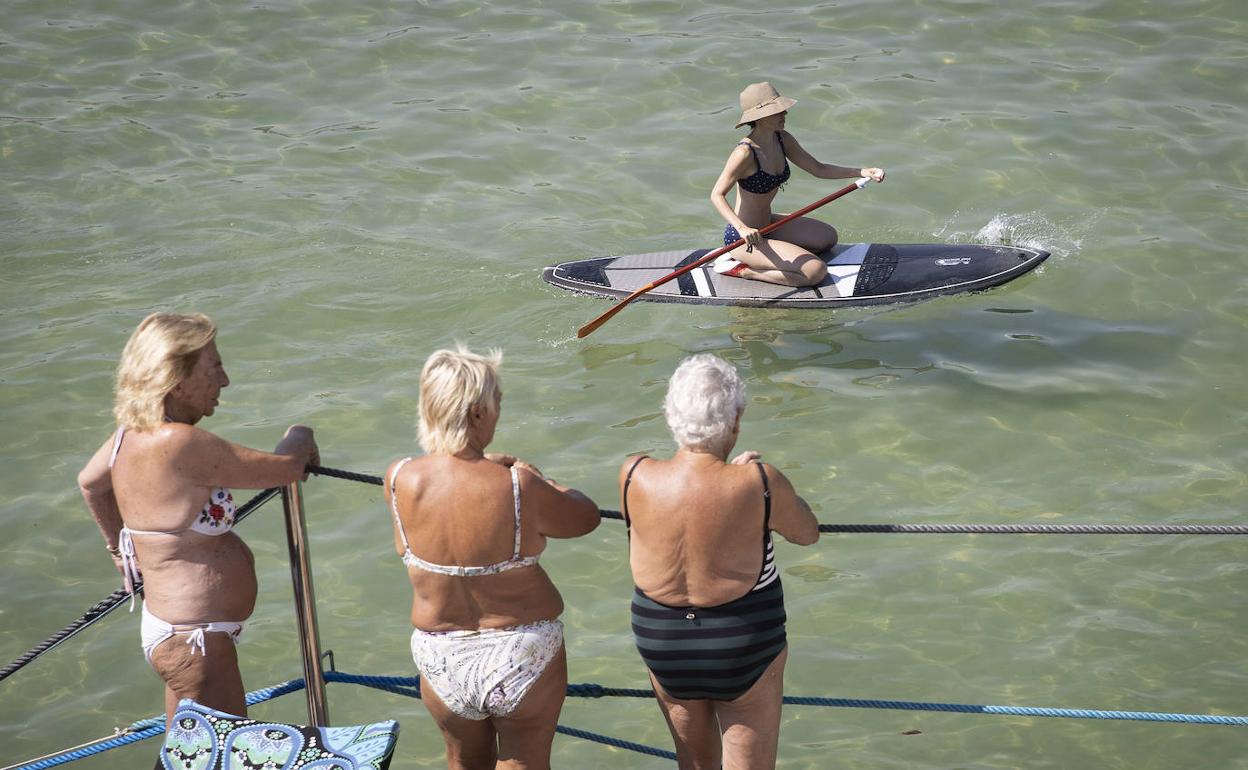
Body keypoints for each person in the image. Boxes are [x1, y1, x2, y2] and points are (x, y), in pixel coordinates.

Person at [76, 312, 320, 726]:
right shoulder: (180, 442)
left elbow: (91, 484)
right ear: (177, 376)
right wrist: (301, 433)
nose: (225, 381)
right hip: (195, 641)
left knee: (187, 756)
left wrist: (119, 551)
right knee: (219, 756)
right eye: (216, 368)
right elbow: (287, 468)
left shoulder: (128, 435)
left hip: (178, 632)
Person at [385, 346, 600, 770]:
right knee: (525, 762)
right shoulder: (517, 485)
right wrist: (539, 478)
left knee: (464, 763)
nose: (500, 411)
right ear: (479, 413)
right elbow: (586, 518)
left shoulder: (398, 478)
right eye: (497, 401)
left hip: (441, 655)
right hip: (520, 652)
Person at [619, 354, 820, 769]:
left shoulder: (633, 473)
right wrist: (748, 482)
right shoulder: (760, 481)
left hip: (664, 643)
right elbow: (807, 533)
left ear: (670, 415)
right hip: (742, 642)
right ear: (736, 420)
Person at [710, 81, 887, 287]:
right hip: (744, 237)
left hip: (769, 224)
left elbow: (818, 169)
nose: (784, 114)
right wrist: (742, 229)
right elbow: (716, 194)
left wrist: (862, 171)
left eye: (783, 110)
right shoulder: (744, 153)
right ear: (759, 117)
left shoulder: (782, 139)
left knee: (827, 238)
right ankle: (744, 270)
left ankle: (775, 254)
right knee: (816, 272)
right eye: (777, 111)